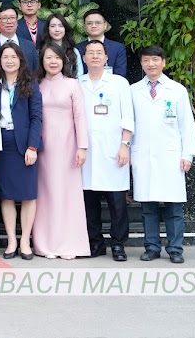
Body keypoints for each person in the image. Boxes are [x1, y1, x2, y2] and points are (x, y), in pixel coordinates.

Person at [130, 45, 195, 264]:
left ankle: (175, 249)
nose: (151, 64)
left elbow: (186, 125)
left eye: (155, 60)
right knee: (147, 206)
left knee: (174, 206)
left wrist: (188, 154)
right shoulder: (133, 91)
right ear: (141, 64)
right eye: (146, 60)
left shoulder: (177, 90)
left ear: (163, 62)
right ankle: (151, 247)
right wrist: (128, 150)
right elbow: (128, 125)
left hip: (171, 156)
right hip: (142, 154)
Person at [34, 42, 90, 259]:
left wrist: (82, 147)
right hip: (43, 149)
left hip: (68, 147)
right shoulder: (36, 84)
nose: (53, 62)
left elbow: (80, 117)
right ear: (42, 61)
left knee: (68, 195)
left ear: (63, 61)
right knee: (46, 195)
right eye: (48, 57)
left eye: (56, 58)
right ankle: (45, 244)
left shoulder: (72, 84)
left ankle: (70, 244)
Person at [80, 40, 134, 261]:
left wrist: (125, 145)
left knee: (117, 201)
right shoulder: (78, 83)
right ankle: (95, 243)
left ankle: (118, 244)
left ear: (106, 57)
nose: (94, 56)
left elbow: (128, 116)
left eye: (99, 53)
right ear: (83, 58)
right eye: (90, 53)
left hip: (114, 149)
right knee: (89, 201)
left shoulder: (119, 83)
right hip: (87, 151)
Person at [0, 42, 43, 260]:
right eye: (5, 57)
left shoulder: (30, 84)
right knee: (6, 195)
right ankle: (11, 240)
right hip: (2, 143)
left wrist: (33, 146)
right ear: (0, 61)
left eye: (13, 57)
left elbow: (36, 117)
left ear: (21, 60)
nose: (9, 61)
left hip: (24, 144)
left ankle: (25, 241)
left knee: (28, 194)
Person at [0, 5, 39, 72]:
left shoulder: (29, 46)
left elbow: (36, 72)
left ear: (17, 21)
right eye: (4, 18)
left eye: (12, 18)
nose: (9, 21)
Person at [75, 9, 128, 78]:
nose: (94, 26)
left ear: (105, 25)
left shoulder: (117, 48)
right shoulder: (77, 48)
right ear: (84, 26)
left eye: (98, 23)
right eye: (89, 23)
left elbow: (120, 74)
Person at [38, 12, 83, 79]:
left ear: (65, 29)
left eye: (60, 26)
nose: (57, 30)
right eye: (53, 26)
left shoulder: (74, 51)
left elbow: (80, 75)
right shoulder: (41, 51)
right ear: (48, 29)